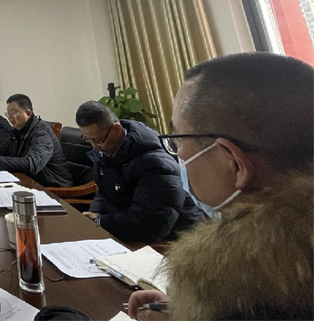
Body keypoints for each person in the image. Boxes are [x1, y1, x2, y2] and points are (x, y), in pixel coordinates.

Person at [127, 53, 314, 321]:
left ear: (234, 163)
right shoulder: (288, 274)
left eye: (178, 140)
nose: (178, 155)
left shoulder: (248, 294)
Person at [75, 101, 204, 244]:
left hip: (178, 242)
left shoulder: (156, 165)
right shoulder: (107, 152)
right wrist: (95, 212)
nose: (95, 147)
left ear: (116, 130)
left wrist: (101, 222)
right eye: (88, 140)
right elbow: (105, 192)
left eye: (98, 140)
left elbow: (150, 226)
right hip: (131, 232)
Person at [0, 94, 72, 187]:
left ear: (28, 113)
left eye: (13, 113)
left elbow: (32, 164)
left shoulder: (41, 133)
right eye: (8, 113)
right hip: (31, 180)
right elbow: (1, 149)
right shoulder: (18, 130)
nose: (10, 117)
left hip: (53, 186)